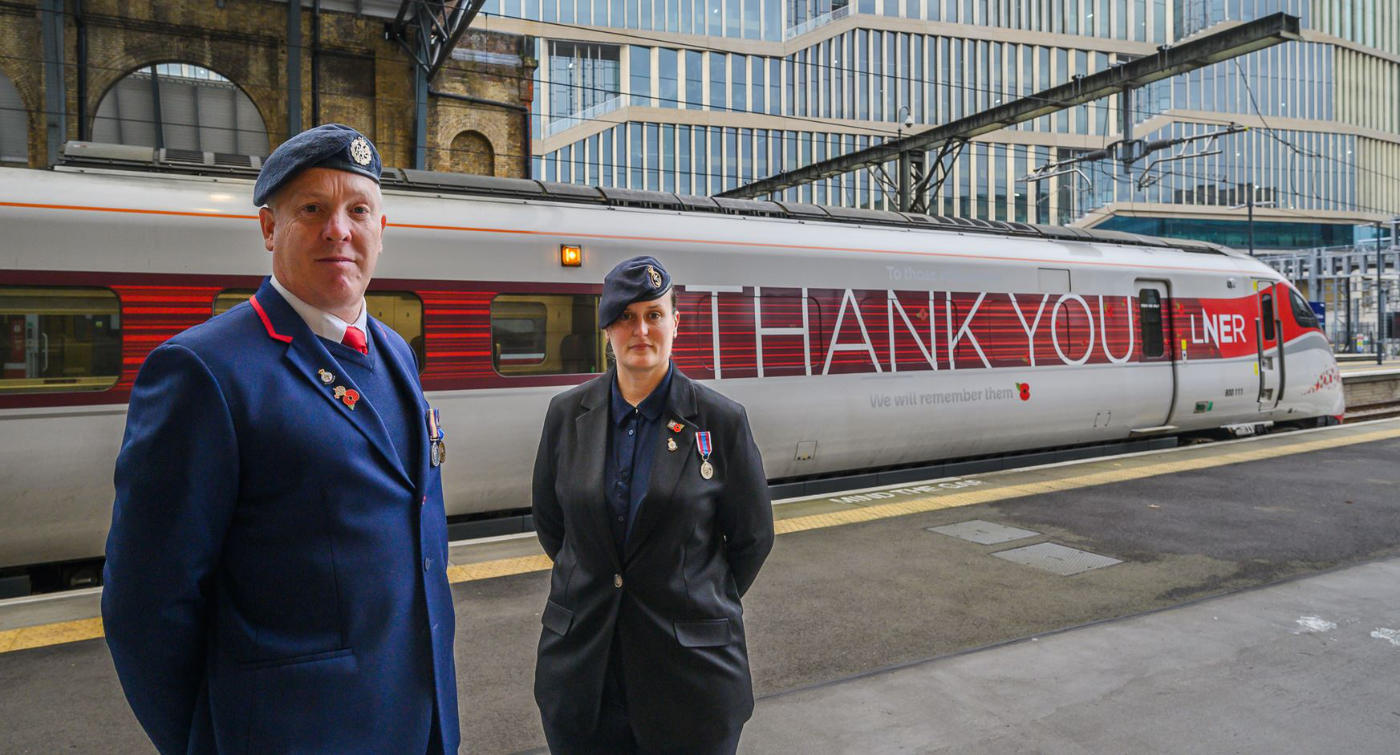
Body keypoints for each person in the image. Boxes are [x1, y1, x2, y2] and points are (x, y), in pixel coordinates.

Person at [102, 124, 459, 754]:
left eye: (358, 211)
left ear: (382, 229)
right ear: (270, 229)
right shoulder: (205, 370)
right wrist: (205, 741)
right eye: (312, 210)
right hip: (291, 735)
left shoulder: (395, 353)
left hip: (417, 721)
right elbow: (144, 604)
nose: (338, 231)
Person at [531, 256, 775, 754]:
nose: (639, 329)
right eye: (624, 317)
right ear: (606, 330)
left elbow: (753, 537)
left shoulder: (720, 421)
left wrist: (696, 596)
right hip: (585, 672)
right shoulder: (566, 415)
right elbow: (553, 526)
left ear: (675, 323)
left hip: (691, 675)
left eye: (653, 315)